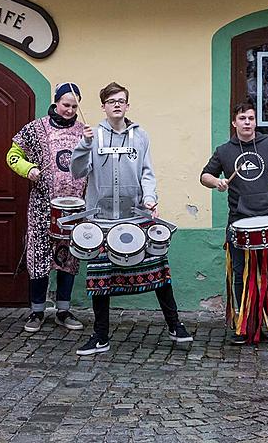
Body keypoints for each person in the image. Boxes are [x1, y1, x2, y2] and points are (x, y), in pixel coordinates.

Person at [70, 82, 193, 355]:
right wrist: (83, 145)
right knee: (100, 278)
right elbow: (77, 172)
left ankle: (175, 325)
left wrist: (150, 198)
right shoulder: (93, 136)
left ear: (127, 105)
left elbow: (147, 172)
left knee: (159, 270)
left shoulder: (141, 136)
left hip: (136, 218)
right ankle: (100, 336)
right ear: (103, 106)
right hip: (101, 220)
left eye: (121, 100)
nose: (116, 104)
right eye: (111, 100)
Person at [200, 101, 268, 345]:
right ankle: (245, 326)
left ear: (255, 121)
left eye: (251, 118)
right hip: (239, 221)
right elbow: (204, 175)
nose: (247, 122)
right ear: (234, 122)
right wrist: (216, 183)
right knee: (241, 275)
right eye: (242, 118)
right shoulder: (224, 151)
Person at [6, 82, 86, 332]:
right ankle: (36, 312)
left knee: (70, 258)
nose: (69, 110)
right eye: (65, 105)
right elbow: (12, 155)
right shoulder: (34, 128)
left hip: (75, 210)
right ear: (56, 102)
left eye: (74, 106)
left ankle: (63, 310)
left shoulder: (86, 131)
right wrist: (27, 169)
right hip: (42, 207)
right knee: (38, 257)